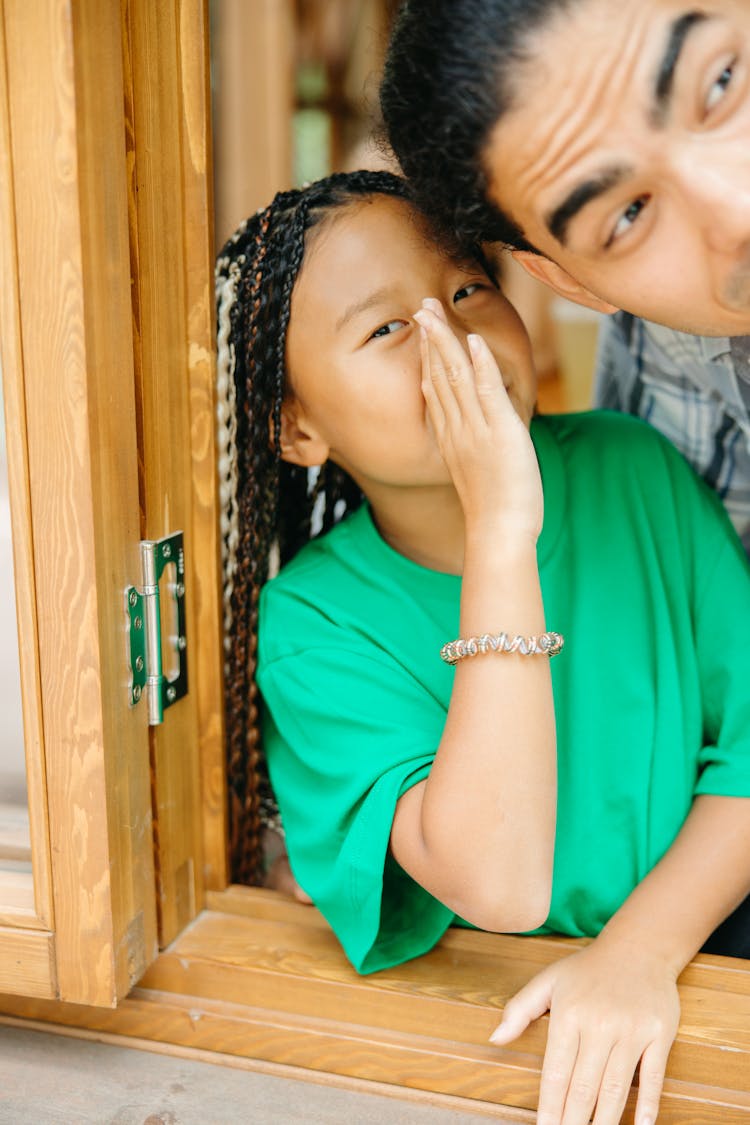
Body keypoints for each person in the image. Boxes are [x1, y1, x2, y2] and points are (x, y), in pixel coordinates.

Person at [216, 170, 750, 1125]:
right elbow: (498, 883)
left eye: (468, 289)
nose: (454, 337)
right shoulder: (313, 623)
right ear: (298, 427)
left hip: (700, 973)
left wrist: (637, 953)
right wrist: (501, 531)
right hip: (494, 1041)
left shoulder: (635, 470)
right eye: (387, 329)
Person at [380, 0, 750, 553]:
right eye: (628, 216)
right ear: (574, 284)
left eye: (721, 84)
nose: (738, 209)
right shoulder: (679, 344)